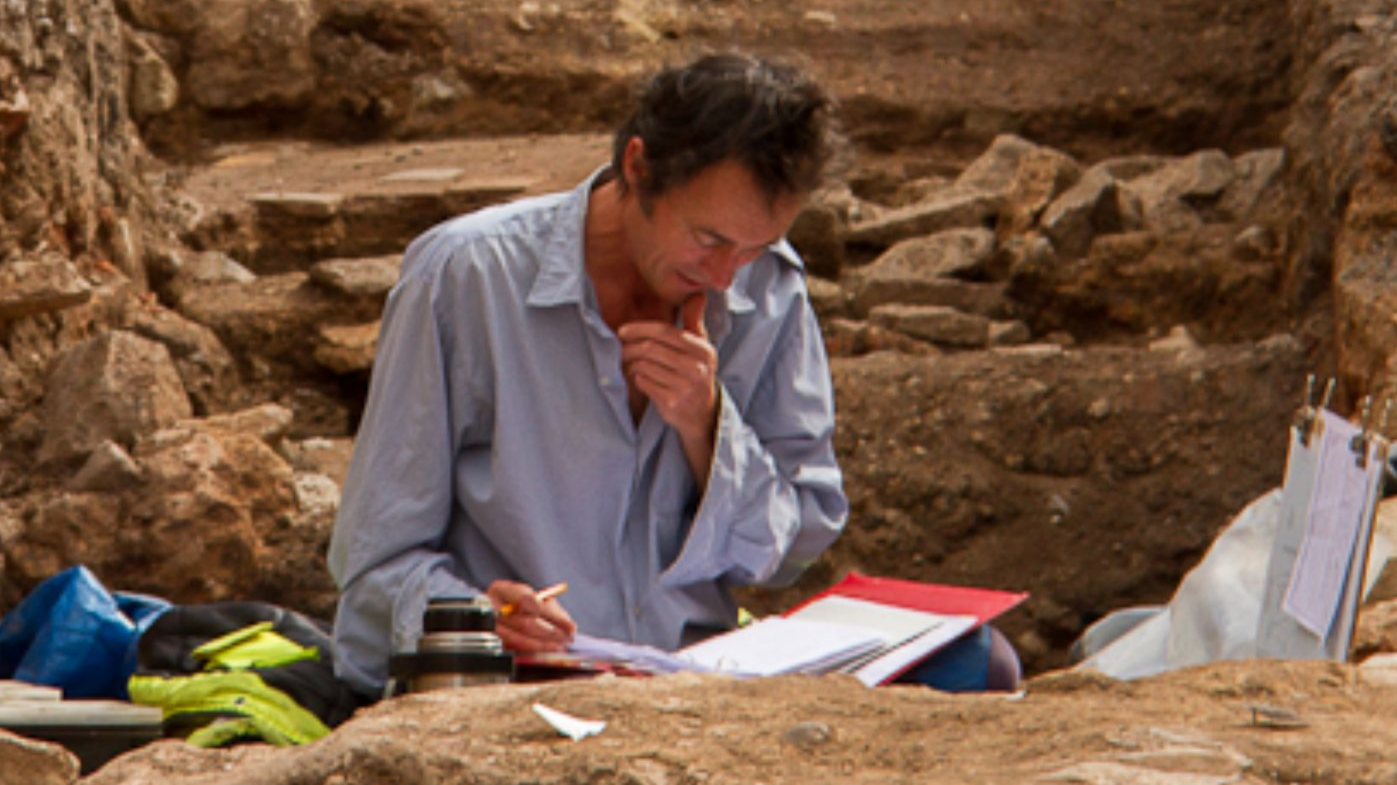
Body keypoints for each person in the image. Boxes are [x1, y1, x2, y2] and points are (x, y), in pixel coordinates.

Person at [327, 52, 850, 698]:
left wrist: (708, 426)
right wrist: (475, 619)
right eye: (708, 238)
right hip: (514, 699)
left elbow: (799, 542)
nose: (724, 278)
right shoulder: (464, 278)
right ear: (638, 166)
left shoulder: (770, 288)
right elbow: (377, 562)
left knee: (981, 661)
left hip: (695, 693)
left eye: (754, 247)